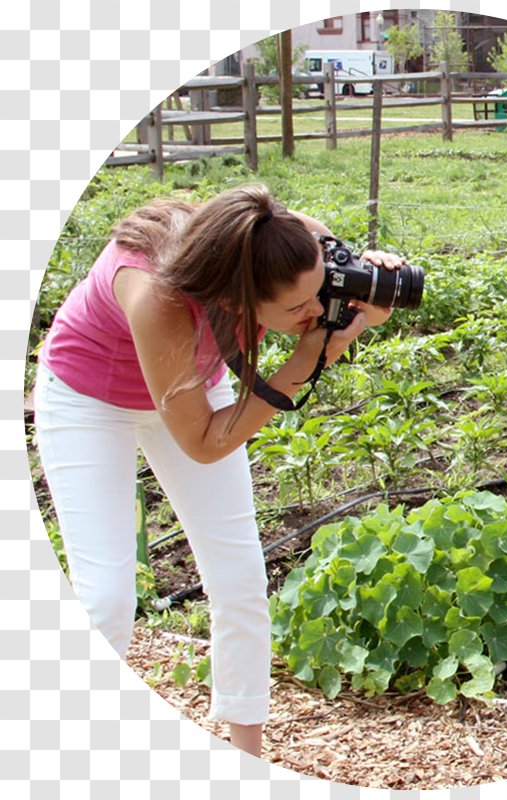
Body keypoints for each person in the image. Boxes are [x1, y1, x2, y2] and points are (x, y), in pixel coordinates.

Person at [33, 183, 404, 757]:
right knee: (104, 597)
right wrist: (310, 357)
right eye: (296, 309)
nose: (314, 312)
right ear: (235, 298)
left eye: (317, 296)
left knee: (239, 582)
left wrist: (368, 293)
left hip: (194, 390)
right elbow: (205, 443)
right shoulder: (156, 292)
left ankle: (246, 757)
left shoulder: (284, 240)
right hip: (90, 400)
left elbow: (341, 301)